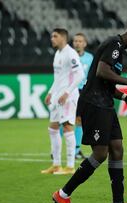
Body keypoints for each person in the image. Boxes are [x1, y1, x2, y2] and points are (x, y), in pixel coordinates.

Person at [52, 23, 127, 203]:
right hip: (95, 104)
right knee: (100, 153)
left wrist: (125, 97)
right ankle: (63, 193)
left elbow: (106, 82)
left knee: (117, 148)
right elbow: (101, 72)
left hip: (104, 103)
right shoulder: (114, 44)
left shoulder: (118, 49)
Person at [41, 28, 84, 175]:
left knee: (67, 127)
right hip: (57, 96)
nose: (52, 39)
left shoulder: (70, 53)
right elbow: (58, 77)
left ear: (63, 38)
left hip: (68, 96)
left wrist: (67, 92)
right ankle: (56, 165)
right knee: (53, 128)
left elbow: (80, 75)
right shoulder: (58, 53)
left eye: (55, 36)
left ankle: (70, 166)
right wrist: (50, 92)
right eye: (52, 36)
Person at [72, 33, 94, 159]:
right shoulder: (69, 56)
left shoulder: (90, 58)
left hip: (83, 91)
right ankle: (55, 150)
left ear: (85, 43)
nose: (77, 43)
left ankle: (77, 149)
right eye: (75, 41)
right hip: (70, 91)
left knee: (79, 120)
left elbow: (91, 76)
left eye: (80, 41)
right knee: (62, 121)